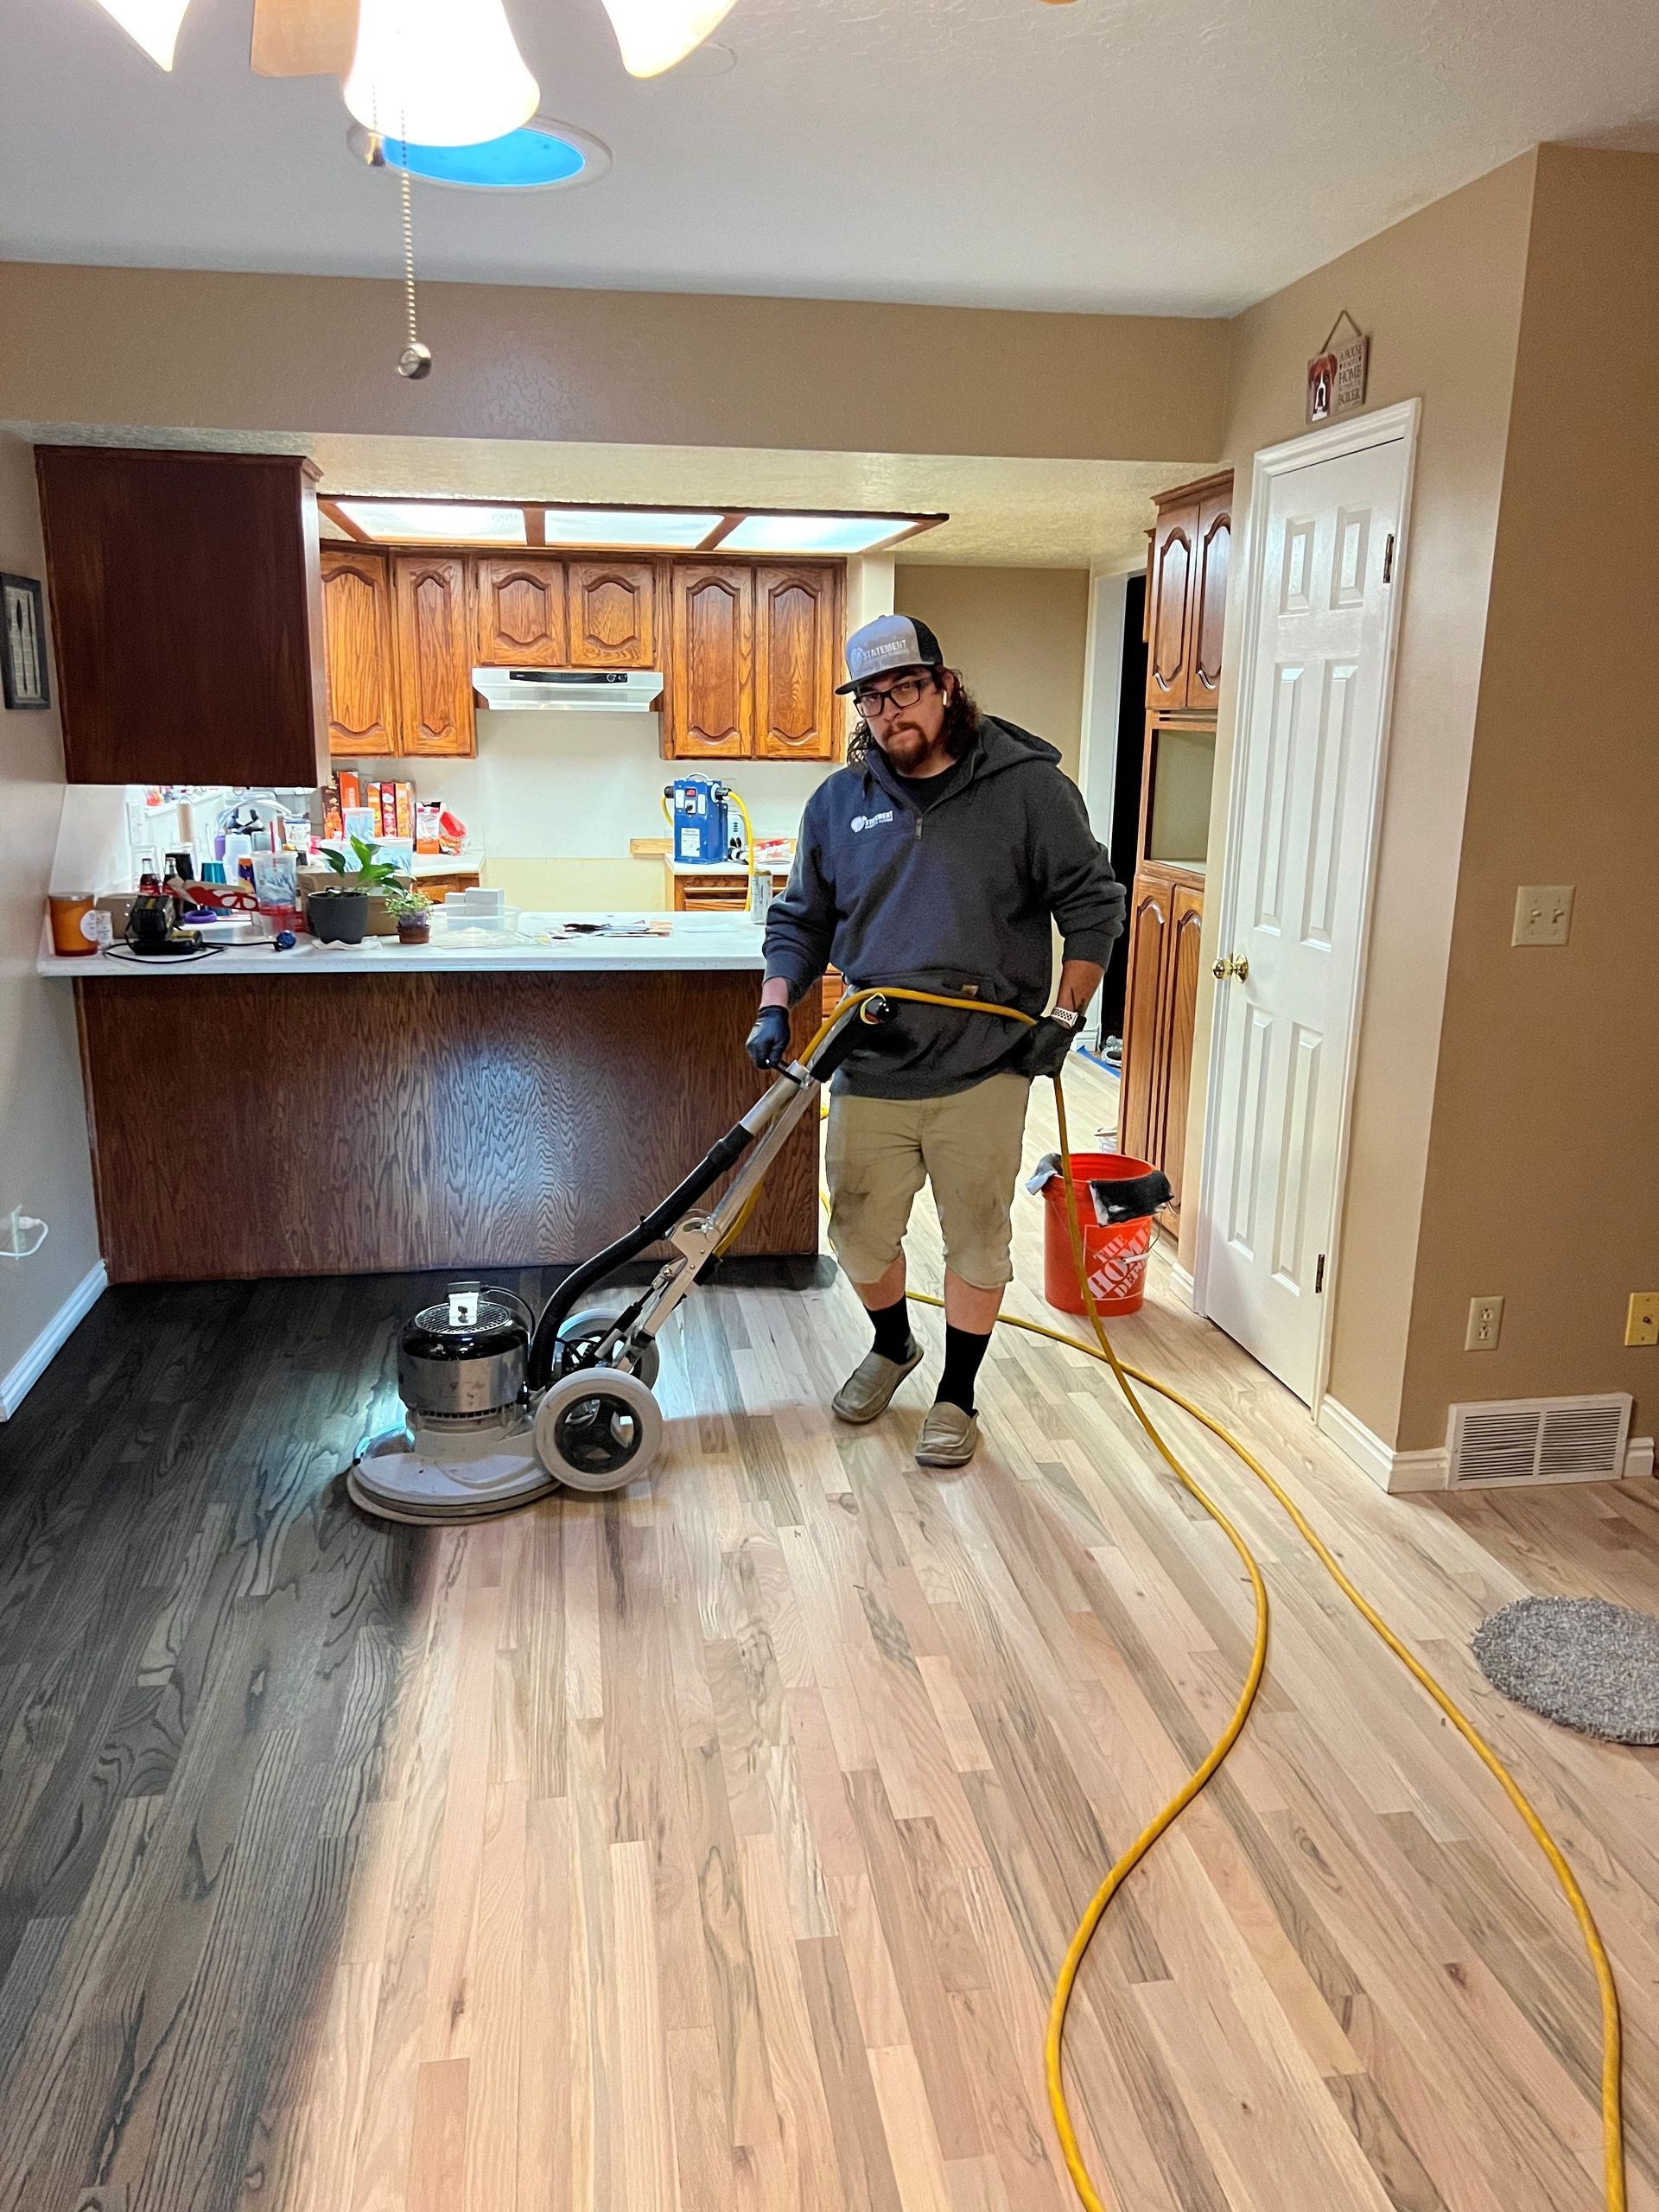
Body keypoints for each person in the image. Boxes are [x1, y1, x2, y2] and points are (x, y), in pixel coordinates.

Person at [747, 613, 1125, 1467]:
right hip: (872, 1057)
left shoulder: (1029, 789)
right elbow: (800, 920)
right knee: (859, 1232)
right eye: (873, 699)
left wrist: (1064, 1018)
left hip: (984, 1060)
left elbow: (1093, 903)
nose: (891, 713)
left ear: (944, 685)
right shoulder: (839, 804)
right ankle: (892, 1345)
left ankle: (957, 1392)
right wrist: (776, 1004)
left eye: (906, 690)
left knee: (977, 1236)